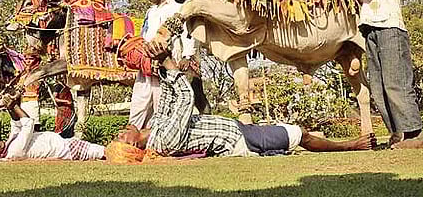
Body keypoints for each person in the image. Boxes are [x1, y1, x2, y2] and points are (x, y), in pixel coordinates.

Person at [117, 55, 376, 159]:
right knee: (299, 134)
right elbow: (185, 100)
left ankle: (278, 152)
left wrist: (162, 66)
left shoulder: (155, 126)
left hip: (238, 129)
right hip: (240, 140)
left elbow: (171, 98)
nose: (119, 133)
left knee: (289, 139)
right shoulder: (161, 142)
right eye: (120, 139)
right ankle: (350, 145)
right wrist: (171, 65)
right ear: (133, 146)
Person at [315, 0, 422, 147]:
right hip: (372, 29)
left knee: (396, 82)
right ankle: (397, 134)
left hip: (390, 29)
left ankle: (414, 134)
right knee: (379, 85)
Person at [128, 0, 200, 130]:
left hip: (167, 63)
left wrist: (187, 56)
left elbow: (188, 34)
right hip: (147, 64)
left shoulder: (176, 8)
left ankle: (161, 139)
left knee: (162, 102)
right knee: (139, 101)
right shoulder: (150, 11)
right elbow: (144, 34)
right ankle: (133, 138)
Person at [0, 98, 105, 161]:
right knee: (105, 153)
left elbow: (16, 126)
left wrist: (9, 108)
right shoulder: (14, 151)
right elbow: (28, 124)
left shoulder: (8, 146)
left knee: (103, 152)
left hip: (65, 144)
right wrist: (14, 105)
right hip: (67, 149)